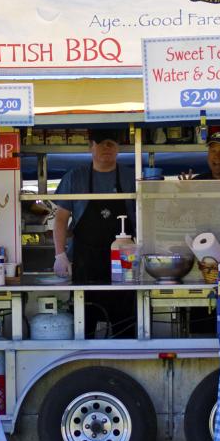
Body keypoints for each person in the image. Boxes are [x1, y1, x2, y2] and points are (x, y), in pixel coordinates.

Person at [52, 128, 136, 337]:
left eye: (111, 143)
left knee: (125, 327)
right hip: (85, 264)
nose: (107, 148)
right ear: (91, 147)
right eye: (101, 143)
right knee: (84, 326)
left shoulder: (131, 177)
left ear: (118, 148)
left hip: (124, 263)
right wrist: (60, 255)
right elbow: (61, 219)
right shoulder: (75, 177)